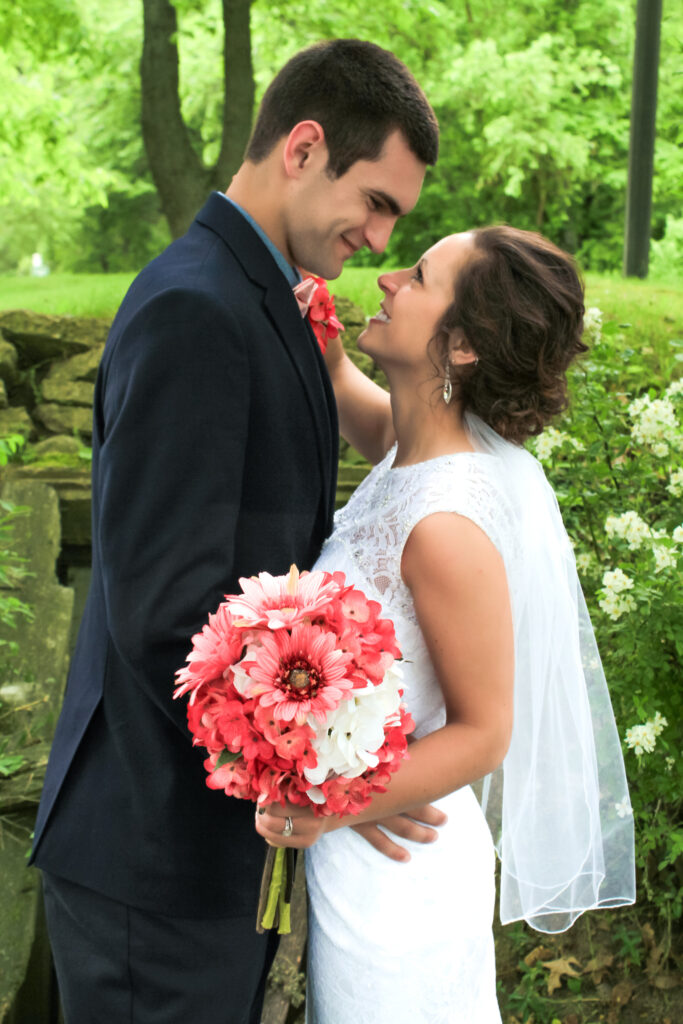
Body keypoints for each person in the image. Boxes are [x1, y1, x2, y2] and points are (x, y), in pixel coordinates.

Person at [30, 40, 441, 1024]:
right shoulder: (194, 309)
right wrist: (332, 774)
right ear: (304, 148)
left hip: (212, 854)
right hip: (154, 859)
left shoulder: (265, 299)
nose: (379, 242)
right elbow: (166, 612)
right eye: (376, 203)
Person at [255, 226, 636, 1022]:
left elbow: (484, 733)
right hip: (369, 851)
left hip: (402, 879)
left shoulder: (446, 526)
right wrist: (328, 354)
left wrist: (328, 801)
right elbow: (375, 425)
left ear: (459, 347)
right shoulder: (419, 451)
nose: (388, 277)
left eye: (419, 275)